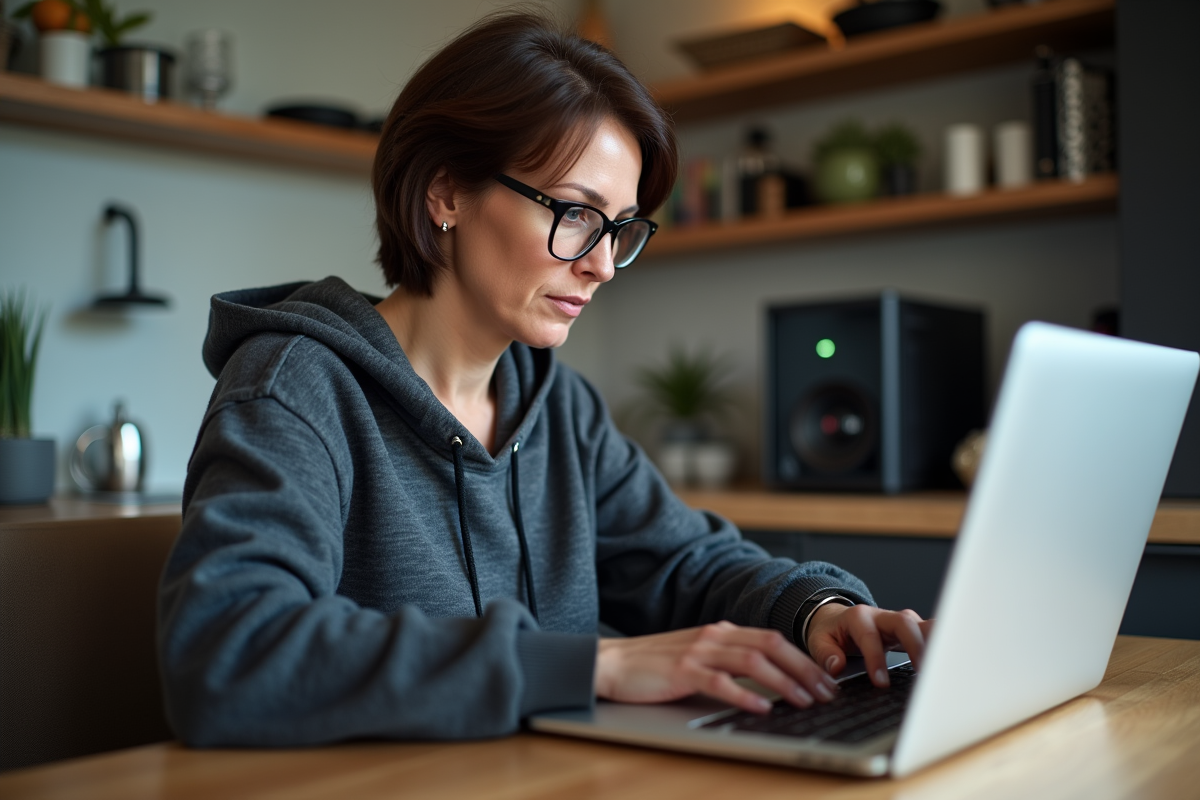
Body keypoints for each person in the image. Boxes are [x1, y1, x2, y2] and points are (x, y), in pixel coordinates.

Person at [158, 10, 931, 747]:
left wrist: (818, 611)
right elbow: (225, 650)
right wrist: (593, 666)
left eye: (619, 229)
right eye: (574, 213)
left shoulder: (559, 406)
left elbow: (683, 562)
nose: (602, 265)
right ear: (446, 192)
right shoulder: (294, 387)